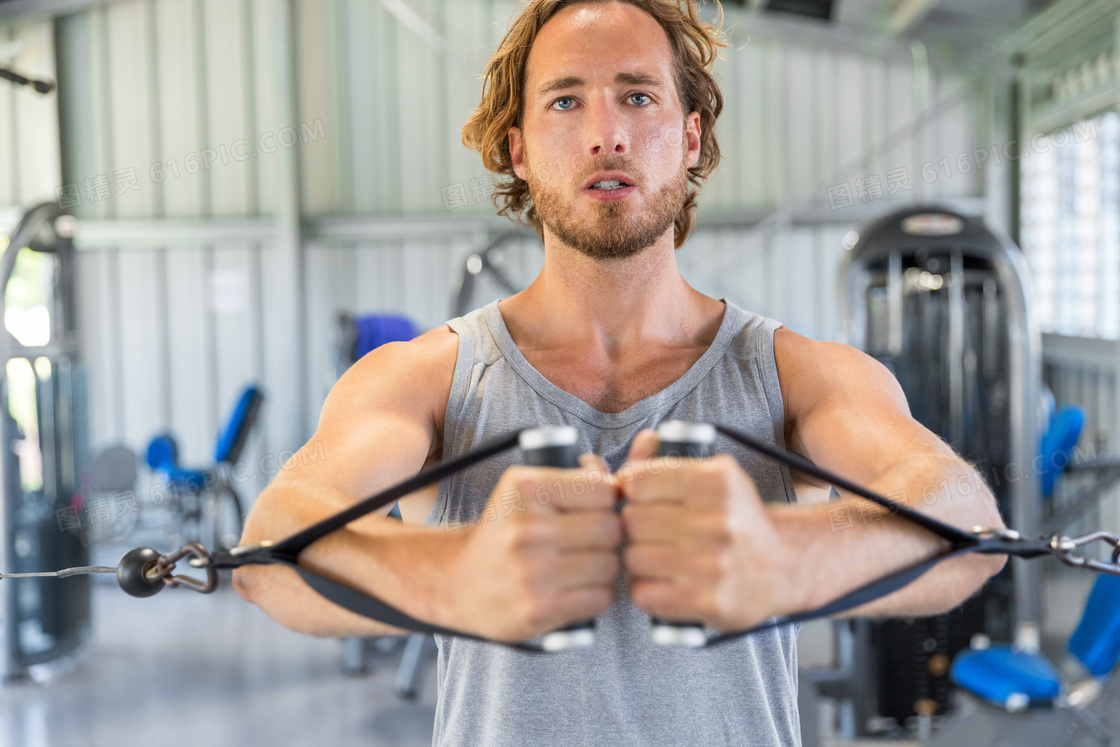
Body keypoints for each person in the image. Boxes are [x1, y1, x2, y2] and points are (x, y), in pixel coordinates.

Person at [234, 1, 1007, 744]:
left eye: (637, 96)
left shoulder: (799, 375)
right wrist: (455, 576)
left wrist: (784, 558)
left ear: (691, 136)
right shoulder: (426, 377)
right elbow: (270, 548)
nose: (607, 134)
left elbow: (969, 523)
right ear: (519, 149)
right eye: (566, 102)